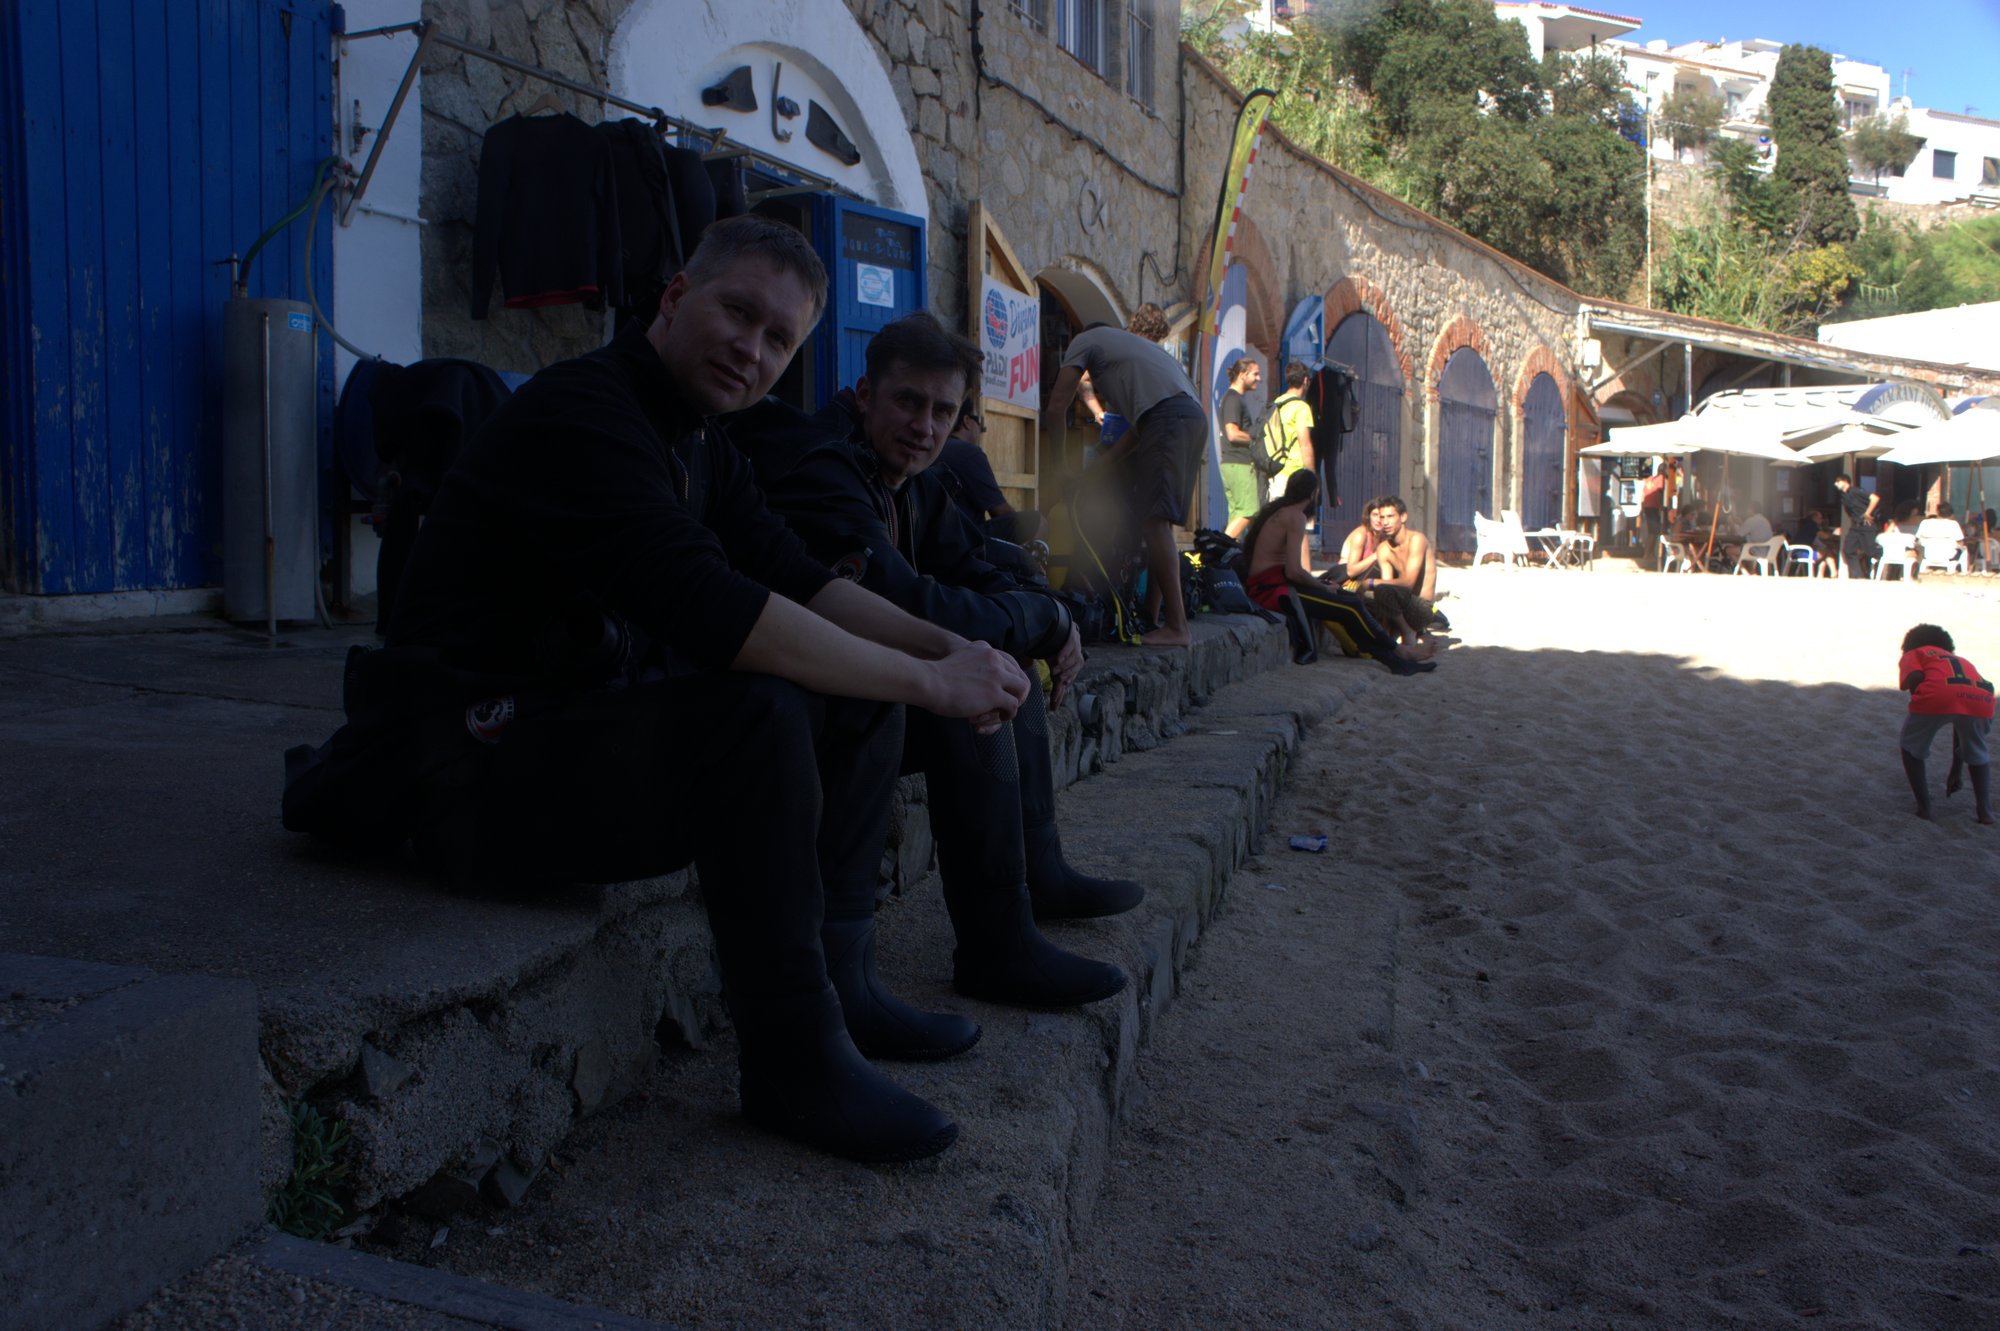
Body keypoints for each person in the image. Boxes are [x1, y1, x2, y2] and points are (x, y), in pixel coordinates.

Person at [282, 217, 1033, 1166]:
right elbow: (716, 607)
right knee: (757, 707)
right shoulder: (586, 413)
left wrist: (955, 648)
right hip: (453, 764)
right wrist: (933, 679)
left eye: (778, 339)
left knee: (851, 687)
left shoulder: (703, 440)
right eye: (737, 313)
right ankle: (793, 1061)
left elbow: (802, 579)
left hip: (552, 737)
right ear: (676, 298)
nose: (751, 348)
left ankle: (844, 987)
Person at [734, 311, 1137, 1056]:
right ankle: (972, 950)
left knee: (996, 664)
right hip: (787, 700)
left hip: (849, 686)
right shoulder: (824, 469)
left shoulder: (913, 479)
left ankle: (1032, 883)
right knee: (968, 683)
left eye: (943, 411)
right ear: (865, 396)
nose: (924, 426)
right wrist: (1039, 621)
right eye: (908, 402)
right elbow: (905, 603)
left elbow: (974, 567)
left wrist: (1044, 615)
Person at [1043, 303, 1206, 647]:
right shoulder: (1139, 356)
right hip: (1192, 418)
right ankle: (1152, 616)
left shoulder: (1086, 340)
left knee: (1154, 522)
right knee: (1160, 521)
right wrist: (1097, 468)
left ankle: (1177, 627)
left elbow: (1057, 407)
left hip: (1168, 418)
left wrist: (1059, 470)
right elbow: (1137, 432)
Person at [1241, 470, 1434, 676]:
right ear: (1313, 494)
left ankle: (1396, 658)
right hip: (1270, 590)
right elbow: (1294, 571)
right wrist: (1322, 587)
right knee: (1350, 608)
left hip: (1276, 583)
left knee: (1349, 599)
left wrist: (1323, 586)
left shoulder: (1281, 512)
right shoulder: (1295, 517)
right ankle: (1399, 655)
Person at [1897, 623, 1994, 824]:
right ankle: (1985, 812)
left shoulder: (1916, 653)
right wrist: (1956, 769)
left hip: (1936, 696)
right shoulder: (1961, 661)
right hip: (1981, 699)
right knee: (1977, 752)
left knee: (1910, 747)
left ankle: (1924, 809)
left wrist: (1918, 699)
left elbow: (1914, 676)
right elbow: (1960, 716)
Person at [935, 401, 1043, 546]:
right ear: (967, 421)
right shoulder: (969, 453)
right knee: (1037, 521)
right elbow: (1001, 511)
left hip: (934, 538)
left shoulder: (934, 449)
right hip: (963, 541)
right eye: (979, 421)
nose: (981, 429)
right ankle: (1033, 561)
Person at [1216, 355, 1263, 539]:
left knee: (1237, 514)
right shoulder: (1233, 399)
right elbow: (1232, 433)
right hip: (1239, 463)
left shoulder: (1234, 398)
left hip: (1234, 464)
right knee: (1248, 512)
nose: (1259, 378)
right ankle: (1218, 549)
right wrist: (1257, 439)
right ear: (1242, 374)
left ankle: (1227, 552)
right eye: (1255, 374)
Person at [1262, 361, 1317, 500]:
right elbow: (1305, 444)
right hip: (1294, 475)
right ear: (1305, 380)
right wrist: (1311, 477)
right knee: (1297, 513)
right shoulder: (1301, 408)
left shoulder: (1275, 405)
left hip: (1274, 473)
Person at [1834, 474, 1879, 580]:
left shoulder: (1856, 491)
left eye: (1838, 481)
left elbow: (1875, 498)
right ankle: (1858, 575)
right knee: (1848, 549)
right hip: (1856, 526)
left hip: (1867, 524)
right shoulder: (1843, 496)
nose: (1836, 484)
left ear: (1845, 481)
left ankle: (1883, 566)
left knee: (1871, 551)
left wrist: (1868, 513)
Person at [1913, 502, 1967, 573]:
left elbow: (1917, 539)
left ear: (1937, 512)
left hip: (1929, 555)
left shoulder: (1925, 523)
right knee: (1964, 550)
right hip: (1949, 556)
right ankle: (1964, 572)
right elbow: (1960, 542)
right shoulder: (1953, 524)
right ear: (1951, 514)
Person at [1638, 461, 1667, 569]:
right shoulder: (1661, 479)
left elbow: (1643, 495)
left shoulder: (1649, 479)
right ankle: (1647, 553)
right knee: (1654, 531)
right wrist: (1660, 507)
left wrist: (1642, 509)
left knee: (1652, 531)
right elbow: (1658, 495)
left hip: (1646, 507)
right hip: (1654, 507)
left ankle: (1649, 553)